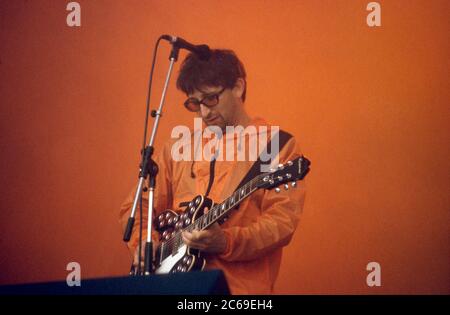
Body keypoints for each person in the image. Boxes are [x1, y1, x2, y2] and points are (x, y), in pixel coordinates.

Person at [119, 49, 306, 294]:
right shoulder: (177, 148)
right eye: (194, 103)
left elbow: (281, 223)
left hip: (239, 292)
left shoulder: (276, 146)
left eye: (211, 99)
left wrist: (226, 242)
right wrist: (145, 243)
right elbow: (136, 206)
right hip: (171, 288)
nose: (204, 113)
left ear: (238, 87)